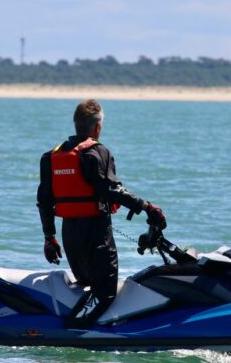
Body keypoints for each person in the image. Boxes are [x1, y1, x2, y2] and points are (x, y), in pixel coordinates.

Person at [36, 99, 166, 328]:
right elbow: (112, 189)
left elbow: (44, 201)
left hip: (70, 236)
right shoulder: (97, 152)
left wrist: (49, 238)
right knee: (105, 293)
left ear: (76, 125)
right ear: (97, 127)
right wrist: (147, 207)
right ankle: (73, 330)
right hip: (96, 236)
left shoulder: (51, 157)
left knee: (87, 283)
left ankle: (86, 326)